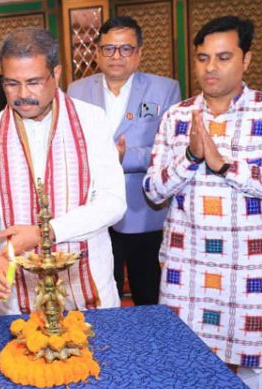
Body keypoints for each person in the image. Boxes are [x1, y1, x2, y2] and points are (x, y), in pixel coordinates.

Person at [143, 16, 262, 389]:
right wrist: (191, 156)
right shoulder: (177, 116)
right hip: (189, 268)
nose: (210, 67)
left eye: (223, 57)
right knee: (186, 365)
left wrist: (224, 165)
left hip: (252, 270)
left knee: (257, 367)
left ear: (246, 59)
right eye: (203, 58)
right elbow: (153, 191)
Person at [0, 28, 126, 315]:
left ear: (56, 74)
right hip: (17, 291)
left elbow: (112, 203)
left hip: (87, 283)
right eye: (12, 84)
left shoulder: (91, 121)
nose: (23, 94)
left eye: (34, 82)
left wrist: (43, 233)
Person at [68, 16, 180, 305]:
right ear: (97, 53)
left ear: (139, 52)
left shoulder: (164, 89)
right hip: (94, 213)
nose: (116, 56)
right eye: (109, 48)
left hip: (144, 211)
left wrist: (122, 156)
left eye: (125, 49)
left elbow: (169, 149)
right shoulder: (76, 91)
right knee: (102, 296)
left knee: (149, 296)